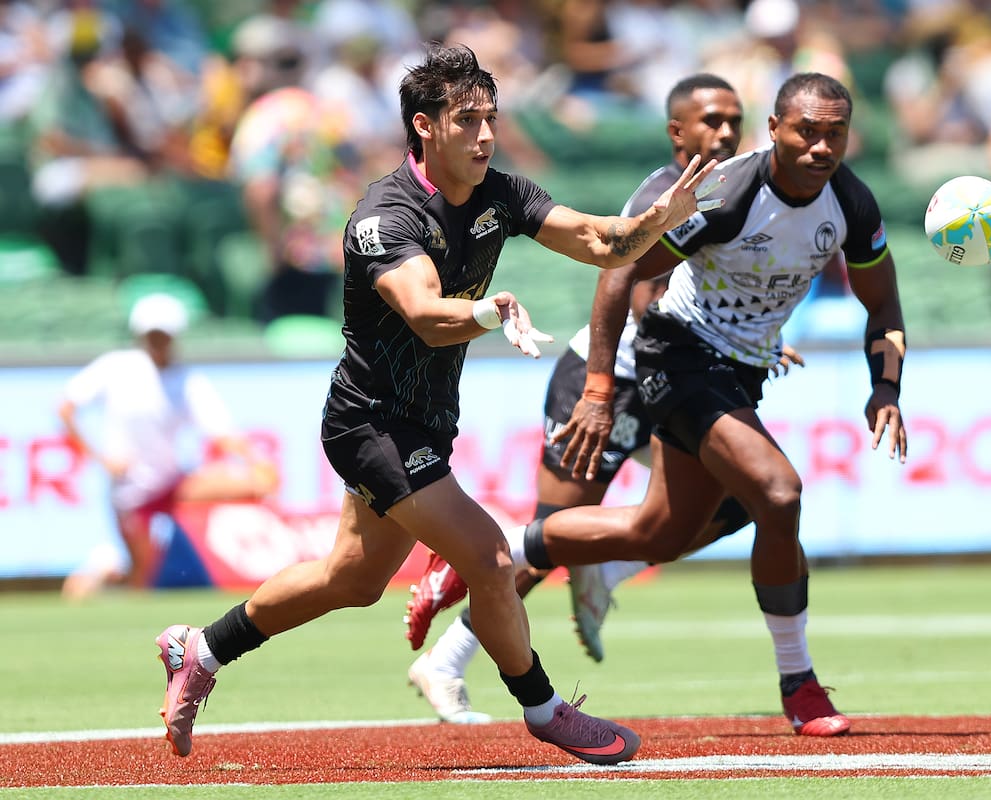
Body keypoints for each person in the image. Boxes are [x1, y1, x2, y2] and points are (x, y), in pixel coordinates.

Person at [153, 43, 719, 765]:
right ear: (424, 126)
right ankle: (545, 710)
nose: (486, 134)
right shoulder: (384, 217)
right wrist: (489, 312)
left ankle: (200, 649)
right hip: (370, 424)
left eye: (491, 117)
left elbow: (602, 243)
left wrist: (659, 220)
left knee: (352, 580)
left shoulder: (499, 194)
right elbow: (423, 310)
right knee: (486, 556)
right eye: (467, 120)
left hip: (421, 421)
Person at [498, 72, 908, 738]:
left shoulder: (851, 204)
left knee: (658, 533)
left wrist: (885, 388)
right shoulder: (726, 193)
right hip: (675, 354)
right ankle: (800, 684)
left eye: (834, 133)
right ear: (774, 130)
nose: (821, 147)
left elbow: (883, 303)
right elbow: (622, 267)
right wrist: (600, 389)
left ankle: (501, 544)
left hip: (740, 372)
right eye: (807, 131)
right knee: (776, 494)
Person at [402, 73, 806, 724]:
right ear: (679, 133)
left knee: (745, 499)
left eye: (734, 119)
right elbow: (643, 297)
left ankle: (606, 572)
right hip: (611, 382)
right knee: (544, 542)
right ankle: (444, 661)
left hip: (669, 385)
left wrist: (751, 338)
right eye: (711, 120)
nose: (726, 131)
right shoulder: (664, 194)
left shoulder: (745, 192)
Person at [58, 293, 278, 599]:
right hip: (130, 494)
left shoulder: (186, 379)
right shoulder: (117, 367)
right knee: (141, 581)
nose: (157, 342)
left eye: (163, 335)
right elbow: (66, 409)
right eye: (152, 335)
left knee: (252, 484)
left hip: (171, 484)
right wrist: (99, 457)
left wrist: (256, 462)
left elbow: (222, 433)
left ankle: (242, 564)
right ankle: (103, 568)